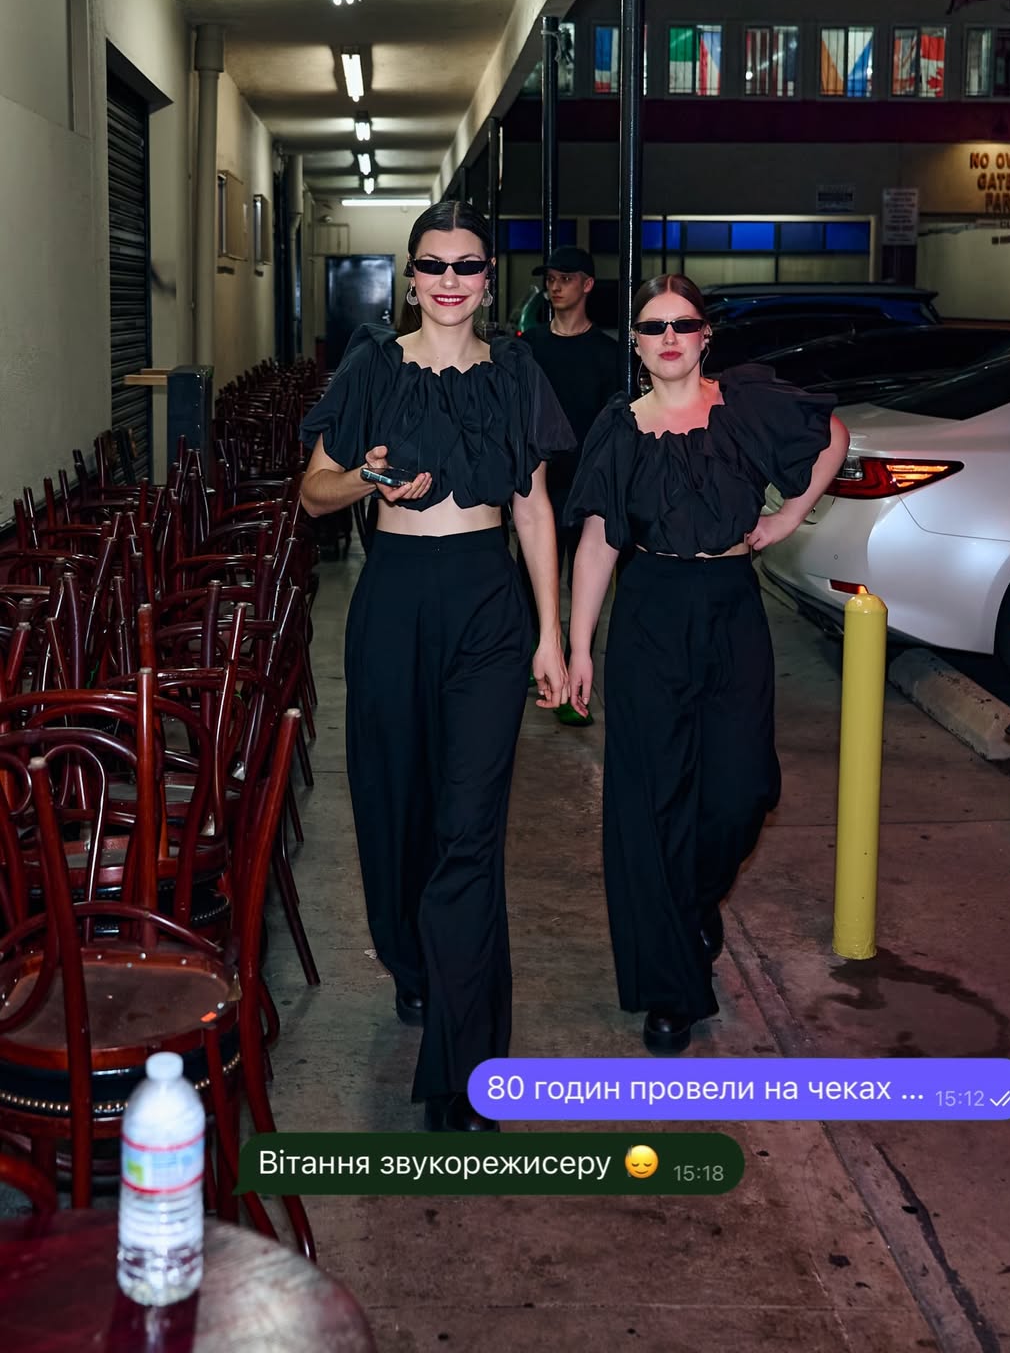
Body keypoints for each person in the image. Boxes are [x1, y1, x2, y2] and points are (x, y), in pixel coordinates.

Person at [298, 201, 574, 1132]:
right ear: (410, 276)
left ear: (489, 280)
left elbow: (533, 508)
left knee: (469, 829)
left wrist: (551, 632)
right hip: (393, 601)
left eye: (467, 265)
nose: (449, 280)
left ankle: (468, 1065)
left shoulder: (516, 373)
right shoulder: (373, 367)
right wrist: (367, 479)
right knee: (397, 809)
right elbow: (313, 494)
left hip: (487, 604)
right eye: (433, 264)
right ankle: (413, 960)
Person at [564, 274, 849, 1054]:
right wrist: (579, 645)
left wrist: (789, 516)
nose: (669, 339)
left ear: (705, 336)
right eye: (653, 327)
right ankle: (670, 988)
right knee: (652, 799)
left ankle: (691, 904)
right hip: (649, 611)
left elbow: (832, 435)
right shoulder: (619, 428)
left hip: (731, 607)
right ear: (634, 341)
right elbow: (598, 544)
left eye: (682, 325)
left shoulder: (745, 406)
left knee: (740, 788)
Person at [520, 246, 617, 726]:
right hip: (536, 486)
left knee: (584, 592)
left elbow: (615, 425)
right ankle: (537, 667)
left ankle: (575, 686)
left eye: (566, 278)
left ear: (588, 285)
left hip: (586, 490)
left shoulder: (608, 354)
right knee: (531, 583)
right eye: (551, 278)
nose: (555, 286)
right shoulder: (530, 346)